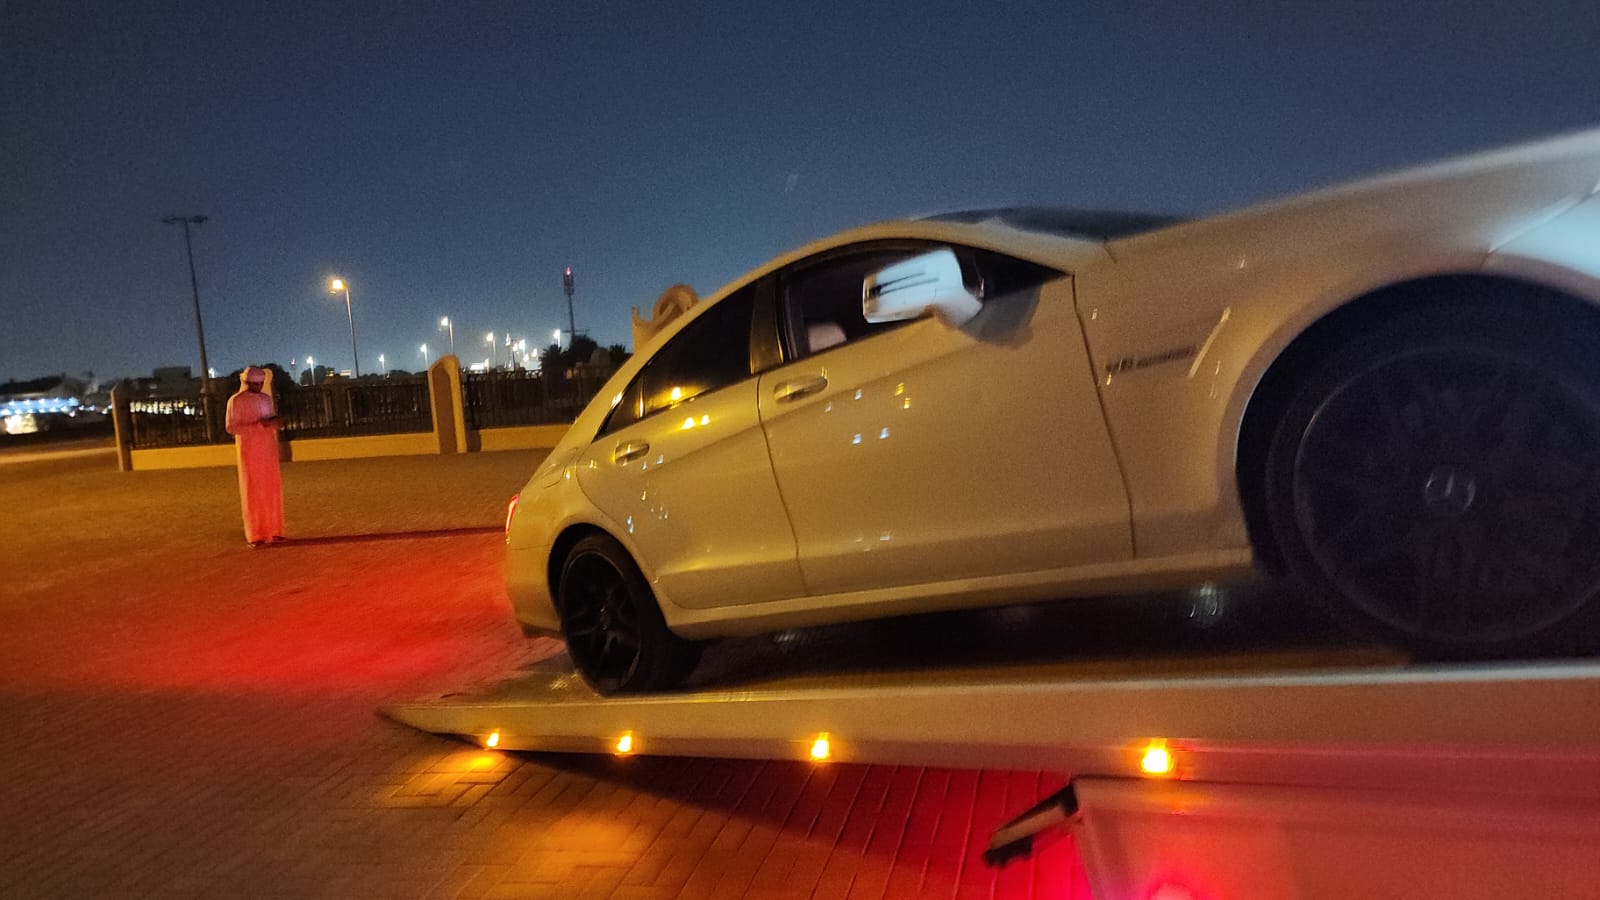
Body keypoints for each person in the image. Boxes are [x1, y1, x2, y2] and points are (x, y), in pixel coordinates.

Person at [225, 366, 285, 546]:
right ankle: (256, 534)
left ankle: (275, 530)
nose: (258, 387)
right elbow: (231, 427)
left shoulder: (266, 399)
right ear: (246, 383)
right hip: (249, 452)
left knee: (272, 489)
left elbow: (271, 420)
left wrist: (275, 423)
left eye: (260, 384)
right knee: (253, 491)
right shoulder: (236, 401)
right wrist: (258, 426)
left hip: (268, 450)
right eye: (254, 384)